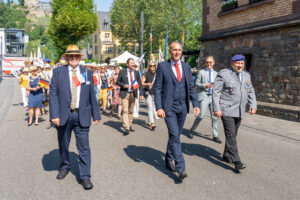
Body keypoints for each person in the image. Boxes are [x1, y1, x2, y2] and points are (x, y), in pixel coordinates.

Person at [49, 44, 101, 190]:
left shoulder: (86, 72)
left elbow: (91, 94)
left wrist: (96, 114)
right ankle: (65, 166)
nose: (73, 58)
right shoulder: (58, 72)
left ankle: (85, 176)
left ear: (79, 57)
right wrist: (54, 115)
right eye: (70, 56)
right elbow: (53, 94)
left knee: (84, 147)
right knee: (64, 144)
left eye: (76, 56)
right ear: (67, 58)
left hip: (81, 115)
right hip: (63, 116)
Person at [154, 41, 200, 180]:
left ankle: (168, 159)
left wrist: (195, 104)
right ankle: (180, 167)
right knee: (174, 136)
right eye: (174, 50)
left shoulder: (186, 67)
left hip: (183, 106)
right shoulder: (163, 66)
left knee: (176, 135)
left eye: (179, 50)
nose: (177, 52)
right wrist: (159, 107)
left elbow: (191, 87)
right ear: (170, 51)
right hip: (169, 107)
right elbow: (157, 88)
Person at [213, 54, 257, 172]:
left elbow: (250, 90)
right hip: (226, 109)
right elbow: (216, 92)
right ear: (232, 63)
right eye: (237, 63)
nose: (240, 65)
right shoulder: (224, 74)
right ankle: (237, 161)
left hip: (240, 110)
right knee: (231, 135)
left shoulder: (246, 75)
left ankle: (227, 155)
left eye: (242, 63)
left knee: (233, 134)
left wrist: (253, 104)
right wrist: (217, 108)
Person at [188, 56, 221, 143]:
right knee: (201, 115)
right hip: (204, 96)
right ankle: (192, 129)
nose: (208, 64)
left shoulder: (217, 74)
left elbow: (218, 86)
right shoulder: (201, 72)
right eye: (207, 62)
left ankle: (215, 135)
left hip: (213, 97)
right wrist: (204, 85)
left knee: (214, 117)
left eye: (210, 62)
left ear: (213, 63)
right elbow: (197, 83)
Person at [117, 58, 144, 135]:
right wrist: (123, 85)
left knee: (131, 111)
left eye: (133, 63)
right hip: (125, 93)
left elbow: (140, 84)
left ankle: (130, 124)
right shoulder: (122, 71)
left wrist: (141, 94)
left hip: (133, 93)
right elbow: (118, 82)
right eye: (131, 63)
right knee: (125, 110)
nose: (132, 64)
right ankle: (126, 127)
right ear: (127, 64)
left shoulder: (136, 72)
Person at [142, 61, 157, 130]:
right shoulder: (146, 74)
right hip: (148, 93)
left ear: (155, 66)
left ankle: (149, 121)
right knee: (150, 108)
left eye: (153, 66)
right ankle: (152, 123)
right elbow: (141, 83)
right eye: (151, 65)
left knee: (153, 108)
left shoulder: (157, 74)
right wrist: (147, 84)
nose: (152, 67)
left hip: (155, 93)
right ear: (149, 66)